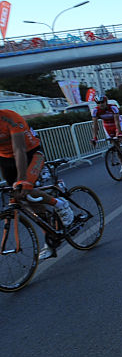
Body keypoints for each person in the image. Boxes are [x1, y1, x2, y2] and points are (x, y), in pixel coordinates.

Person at [0, 110, 75, 260]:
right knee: (22, 200)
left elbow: (19, 150)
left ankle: (60, 204)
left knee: (25, 189)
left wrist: (22, 180)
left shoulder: (10, 118)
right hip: (6, 159)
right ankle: (50, 239)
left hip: (31, 153)